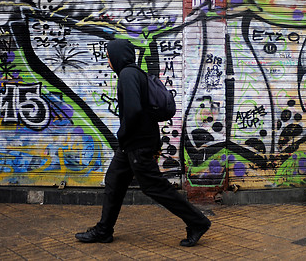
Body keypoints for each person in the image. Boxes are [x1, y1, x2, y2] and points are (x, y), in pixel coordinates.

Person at [75, 39, 211, 246]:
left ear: (118, 57)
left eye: (109, 56)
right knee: (114, 181)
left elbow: (134, 110)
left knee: (153, 186)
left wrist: (122, 133)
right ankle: (104, 230)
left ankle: (197, 221)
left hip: (138, 142)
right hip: (133, 142)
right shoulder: (135, 73)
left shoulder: (128, 75)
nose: (108, 61)